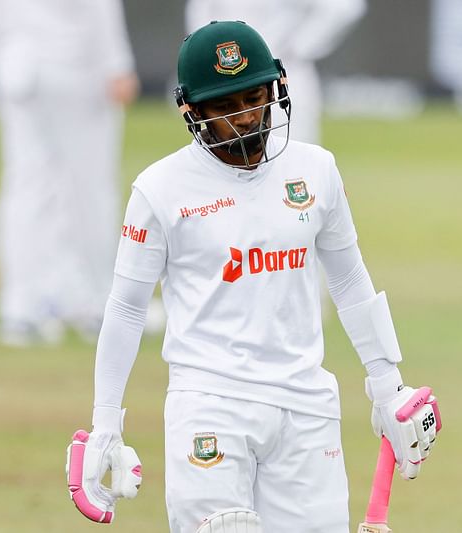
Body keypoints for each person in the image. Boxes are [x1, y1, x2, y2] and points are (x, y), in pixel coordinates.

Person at [65, 21, 441, 532]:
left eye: (255, 97)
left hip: (308, 407)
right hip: (210, 406)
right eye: (224, 107)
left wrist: (387, 383)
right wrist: (106, 421)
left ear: (277, 89)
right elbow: (128, 308)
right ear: (191, 111)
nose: (245, 118)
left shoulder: (317, 170)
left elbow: (350, 280)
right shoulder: (159, 190)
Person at [0, 0, 139, 345]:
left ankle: (23, 308)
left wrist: (2, 56)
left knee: (27, 188)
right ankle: (94, 302)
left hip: (17, 64)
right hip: (73, 66)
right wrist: (117, 64)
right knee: (89, 189)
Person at [186, 0, 366, 144]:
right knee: (224, 156)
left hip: (283, 71)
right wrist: (206, 58)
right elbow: (199, 10)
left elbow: (345, 7)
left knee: (295, 157)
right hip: (224, 78)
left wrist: (301, 46)